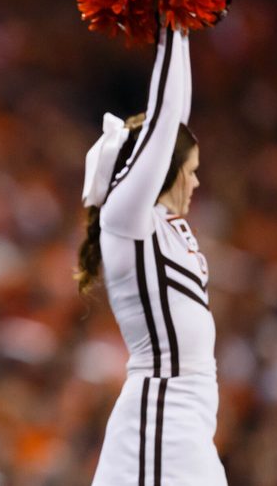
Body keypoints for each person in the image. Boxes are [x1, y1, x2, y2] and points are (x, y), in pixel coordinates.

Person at [78, 25, 227, 485]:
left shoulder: (161, 225)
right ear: (162, 170)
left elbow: (174, 118)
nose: (197, 183)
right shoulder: (127, 220)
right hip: (161, 424)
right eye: (192, 172)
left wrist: (181, 26)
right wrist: (169, 24)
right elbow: (165, 122)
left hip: (185, 419)